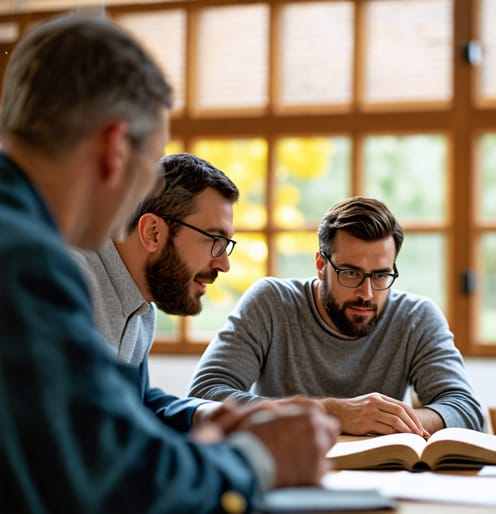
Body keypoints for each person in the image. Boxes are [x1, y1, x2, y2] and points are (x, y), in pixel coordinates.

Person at [0, 14, 337, 513]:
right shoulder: (31, 262)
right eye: (151, 162)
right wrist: (257, 460)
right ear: (115, 148)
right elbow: (109, 481)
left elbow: (108, 424)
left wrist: (206, 421)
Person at [189, 196, 485, 436]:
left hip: (385, 481)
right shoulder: (271, 302)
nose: (367, 293)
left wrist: (391, 421)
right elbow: (203, 396)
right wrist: (332, 412)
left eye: (381, 275)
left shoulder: (416, 317)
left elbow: (466, 410)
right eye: (351, 273)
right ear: (320, 264)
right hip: (283, 475)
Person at [69, 152, 241, 432]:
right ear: (153, 232)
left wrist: (204, 413)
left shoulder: (141, 305)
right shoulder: (68, 283)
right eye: (215, 240)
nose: (224, 263)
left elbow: (136, 401)